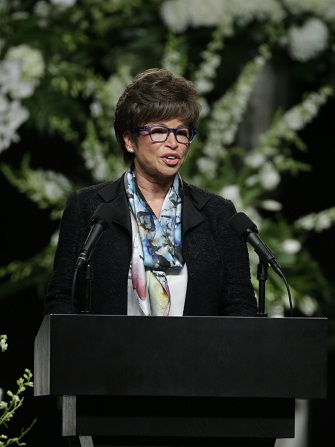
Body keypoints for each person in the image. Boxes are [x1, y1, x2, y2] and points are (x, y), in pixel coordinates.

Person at [44, 67, 257, 317]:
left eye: (181, 132)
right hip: (110, 353)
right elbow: (62, 298)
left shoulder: (218, 214)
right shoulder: (89, 207)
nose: (173, 143)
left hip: (197, 354)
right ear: (128, 140)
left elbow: (240, 305)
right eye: (158, 131)